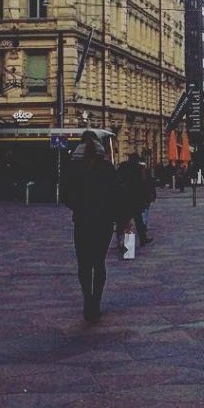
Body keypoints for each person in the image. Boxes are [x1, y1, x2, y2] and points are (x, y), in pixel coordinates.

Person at [61, 131, 134, 323]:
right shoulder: (107, 167)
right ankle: (96, 302)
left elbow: (65, 194)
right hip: (104, 221)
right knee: (99, 262)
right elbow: (120, 193)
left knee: (84, 264)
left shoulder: (73, 167)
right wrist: (121, 217)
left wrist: (79, 207)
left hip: (83, 221)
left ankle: (87, 300)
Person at [117, 151, 153, 247]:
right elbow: (142, 185)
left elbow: (117, 181)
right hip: (135, 198)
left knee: (123, 220)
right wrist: (145, 198)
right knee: (138, 220)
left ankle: (120, 240)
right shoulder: (139, 169)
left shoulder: (122, 167)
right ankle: (142, 239)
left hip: (124, 198)